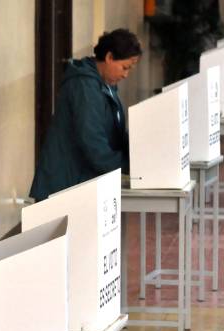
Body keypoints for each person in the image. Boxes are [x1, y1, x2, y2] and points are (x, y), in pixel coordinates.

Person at [29, 28, 142, 202]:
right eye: (124, 67)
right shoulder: (84, 86)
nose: (125, 75)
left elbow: (115, 132)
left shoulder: (105, 84)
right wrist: (132, 165)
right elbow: (94, 144)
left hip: (82, 182)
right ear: (109, 57)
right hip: (64, 185)